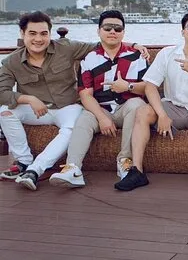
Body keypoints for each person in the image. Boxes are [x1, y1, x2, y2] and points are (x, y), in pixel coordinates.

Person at [0, 11, 146, 190]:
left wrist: (135, 45)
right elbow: (2, 93)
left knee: (72, 125)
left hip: (67, 107)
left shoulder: (65, 47)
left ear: (50, 34)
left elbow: (105, 43)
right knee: (5, 112)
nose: (38, 39)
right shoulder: (11, 62)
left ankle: (35, 169)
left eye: (44, 33)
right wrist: (28, 98)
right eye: (32, 33)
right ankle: (24, 161)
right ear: (22, 34)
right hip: (37, 110)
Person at [114, 12, 188, 191]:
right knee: (143, 111)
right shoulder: (167, 53)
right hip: (171, 106)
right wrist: (162, 115)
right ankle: (137, 170)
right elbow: (150, 86)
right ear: (183, 31)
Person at [49, 10, 149, 188]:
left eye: (117, 28)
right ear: (99, 31)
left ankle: (126, 162)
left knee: (137, 105)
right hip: (101, 108)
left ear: (123, 32)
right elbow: (85, 94)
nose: (112, 31)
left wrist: (128, 86)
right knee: (84, 118)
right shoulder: (90, 59)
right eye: (107, 28)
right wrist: (102, 118)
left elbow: (149, 87)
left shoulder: (137, 56)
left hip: (127, 107)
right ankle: (73, 168)